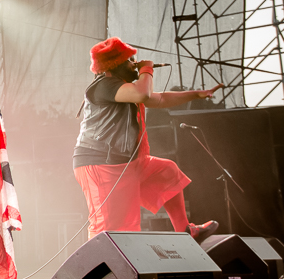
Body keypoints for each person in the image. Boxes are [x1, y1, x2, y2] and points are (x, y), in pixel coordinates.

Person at [73, 37, 222, 241]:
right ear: (115, 64)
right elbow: (142, 94)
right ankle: (99, 260)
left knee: (167, 172)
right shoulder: (104, 85)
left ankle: (186, 231)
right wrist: (147, 69)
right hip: (102, 163)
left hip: (126, 160)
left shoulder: (123, 88)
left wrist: (196, 95)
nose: (134, 63)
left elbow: (159, 98)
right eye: (129, 60)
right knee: (112, 227)